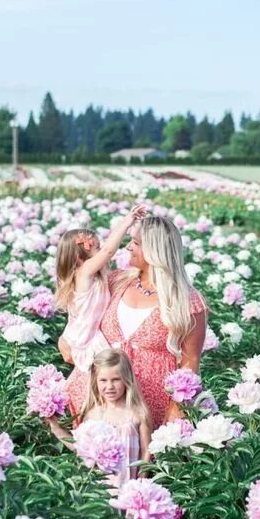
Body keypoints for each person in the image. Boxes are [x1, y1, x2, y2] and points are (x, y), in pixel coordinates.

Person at [65, 215, 207, 428]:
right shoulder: (116, 281)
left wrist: (177, 410)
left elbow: (190, 362)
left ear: (155, 250)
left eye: (136, 243)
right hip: (94, 396)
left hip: (149, 406)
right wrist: (66, 340)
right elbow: (82, 312)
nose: (128, 247)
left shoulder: (187, 301)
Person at [55, 205, 145, 374]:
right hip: (85, 338)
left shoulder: (92, 276)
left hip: (83, 334)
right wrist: (128, 221)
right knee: (110, 375)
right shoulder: (84, 273)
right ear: (79, 257)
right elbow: (109, 250)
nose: (101, 252)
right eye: (96, 248)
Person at [48, 349, 151, 485]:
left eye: (116, 380)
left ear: (127, 379)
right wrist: (55, 428)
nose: (109, 386)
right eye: (103, 380)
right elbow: (79, 448)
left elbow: (146, 451)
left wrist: (142, 480)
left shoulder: (137, 414)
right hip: (99, 492)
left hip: (128, 488)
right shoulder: (92, 414)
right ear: (95, 381)